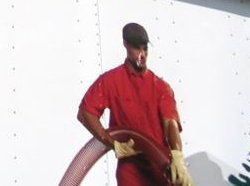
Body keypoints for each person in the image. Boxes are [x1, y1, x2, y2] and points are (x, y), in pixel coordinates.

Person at [77, 23, 194, 186]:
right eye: (137, 49)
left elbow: (170, 123)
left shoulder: (160, 87)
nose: (142, 54)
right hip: (131, 174)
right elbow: (85, 113)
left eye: (145, 49)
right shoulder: (111, 81)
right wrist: (113, 144)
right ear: (125, 44)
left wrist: (177, 157)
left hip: (161, 170)